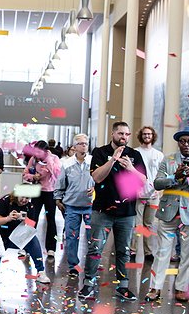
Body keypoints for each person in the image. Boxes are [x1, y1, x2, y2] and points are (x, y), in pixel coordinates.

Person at [82, 122, 147, 302]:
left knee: (124, 250)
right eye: (120, 133)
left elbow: (143, 181)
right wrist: (112, 160)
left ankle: (123, 286)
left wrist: (131, 169)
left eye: (127, 134)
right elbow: (97, 177)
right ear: (113, 134)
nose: (124, 137)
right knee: (95, 248)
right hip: (102, 210)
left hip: (127, 212)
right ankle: (88, 284)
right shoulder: (100, 152)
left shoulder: (135, 155)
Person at [145, 130, 189, 303]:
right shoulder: (168, 160)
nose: (186, 144)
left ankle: (182, 288)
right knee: (162, 251)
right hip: (168, 211)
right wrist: (175, 177)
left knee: (188, 253)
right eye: (182, 141)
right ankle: (155, 287)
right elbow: (157, 183)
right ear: (178, 143)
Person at [0, 192, 47, 280]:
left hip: (15, 237)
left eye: (27, 198)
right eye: (22, 197)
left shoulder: (30, 206)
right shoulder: (3, 202)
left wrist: (25, 219)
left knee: (32, 238)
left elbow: (32, 225)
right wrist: (8, 218)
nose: (24, 200)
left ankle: (41, 271)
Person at [55, 134, 93, 277]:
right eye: (81, 144)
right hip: (71, 205)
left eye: (86, 144)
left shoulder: (93, 161)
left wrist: (95, 188)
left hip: (90, 205)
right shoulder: (67, 164)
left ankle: (91, 266)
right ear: (74, 147)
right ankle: (73, 266)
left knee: (92, 237)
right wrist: (58, 199)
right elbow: (60, 182)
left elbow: (101, 179)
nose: (84, 146)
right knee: (71, 237)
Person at [23, 140, 61, 259]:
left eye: (39, 152)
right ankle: (26, 246)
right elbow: (25, 174)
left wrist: (48, 160)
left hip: (50, 192)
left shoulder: (54, 158)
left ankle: (51, 248)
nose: (37, 154)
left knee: (51, 219)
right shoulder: (33, 159)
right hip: (36, 191)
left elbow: (57, 174)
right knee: (32, 218)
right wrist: (32, 176)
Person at [134, 126, 164, 262]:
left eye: (149, 134)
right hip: (138, 195)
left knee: (149, 224)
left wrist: (159, 190)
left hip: (153, 195)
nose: (147, 136)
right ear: (141, 136)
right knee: (136, 225)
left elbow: (162, 174)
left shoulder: (158, 155)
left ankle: (148, 251)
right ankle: (133, 250)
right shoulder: (135, 152)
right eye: (144, 134)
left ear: (153, 136)